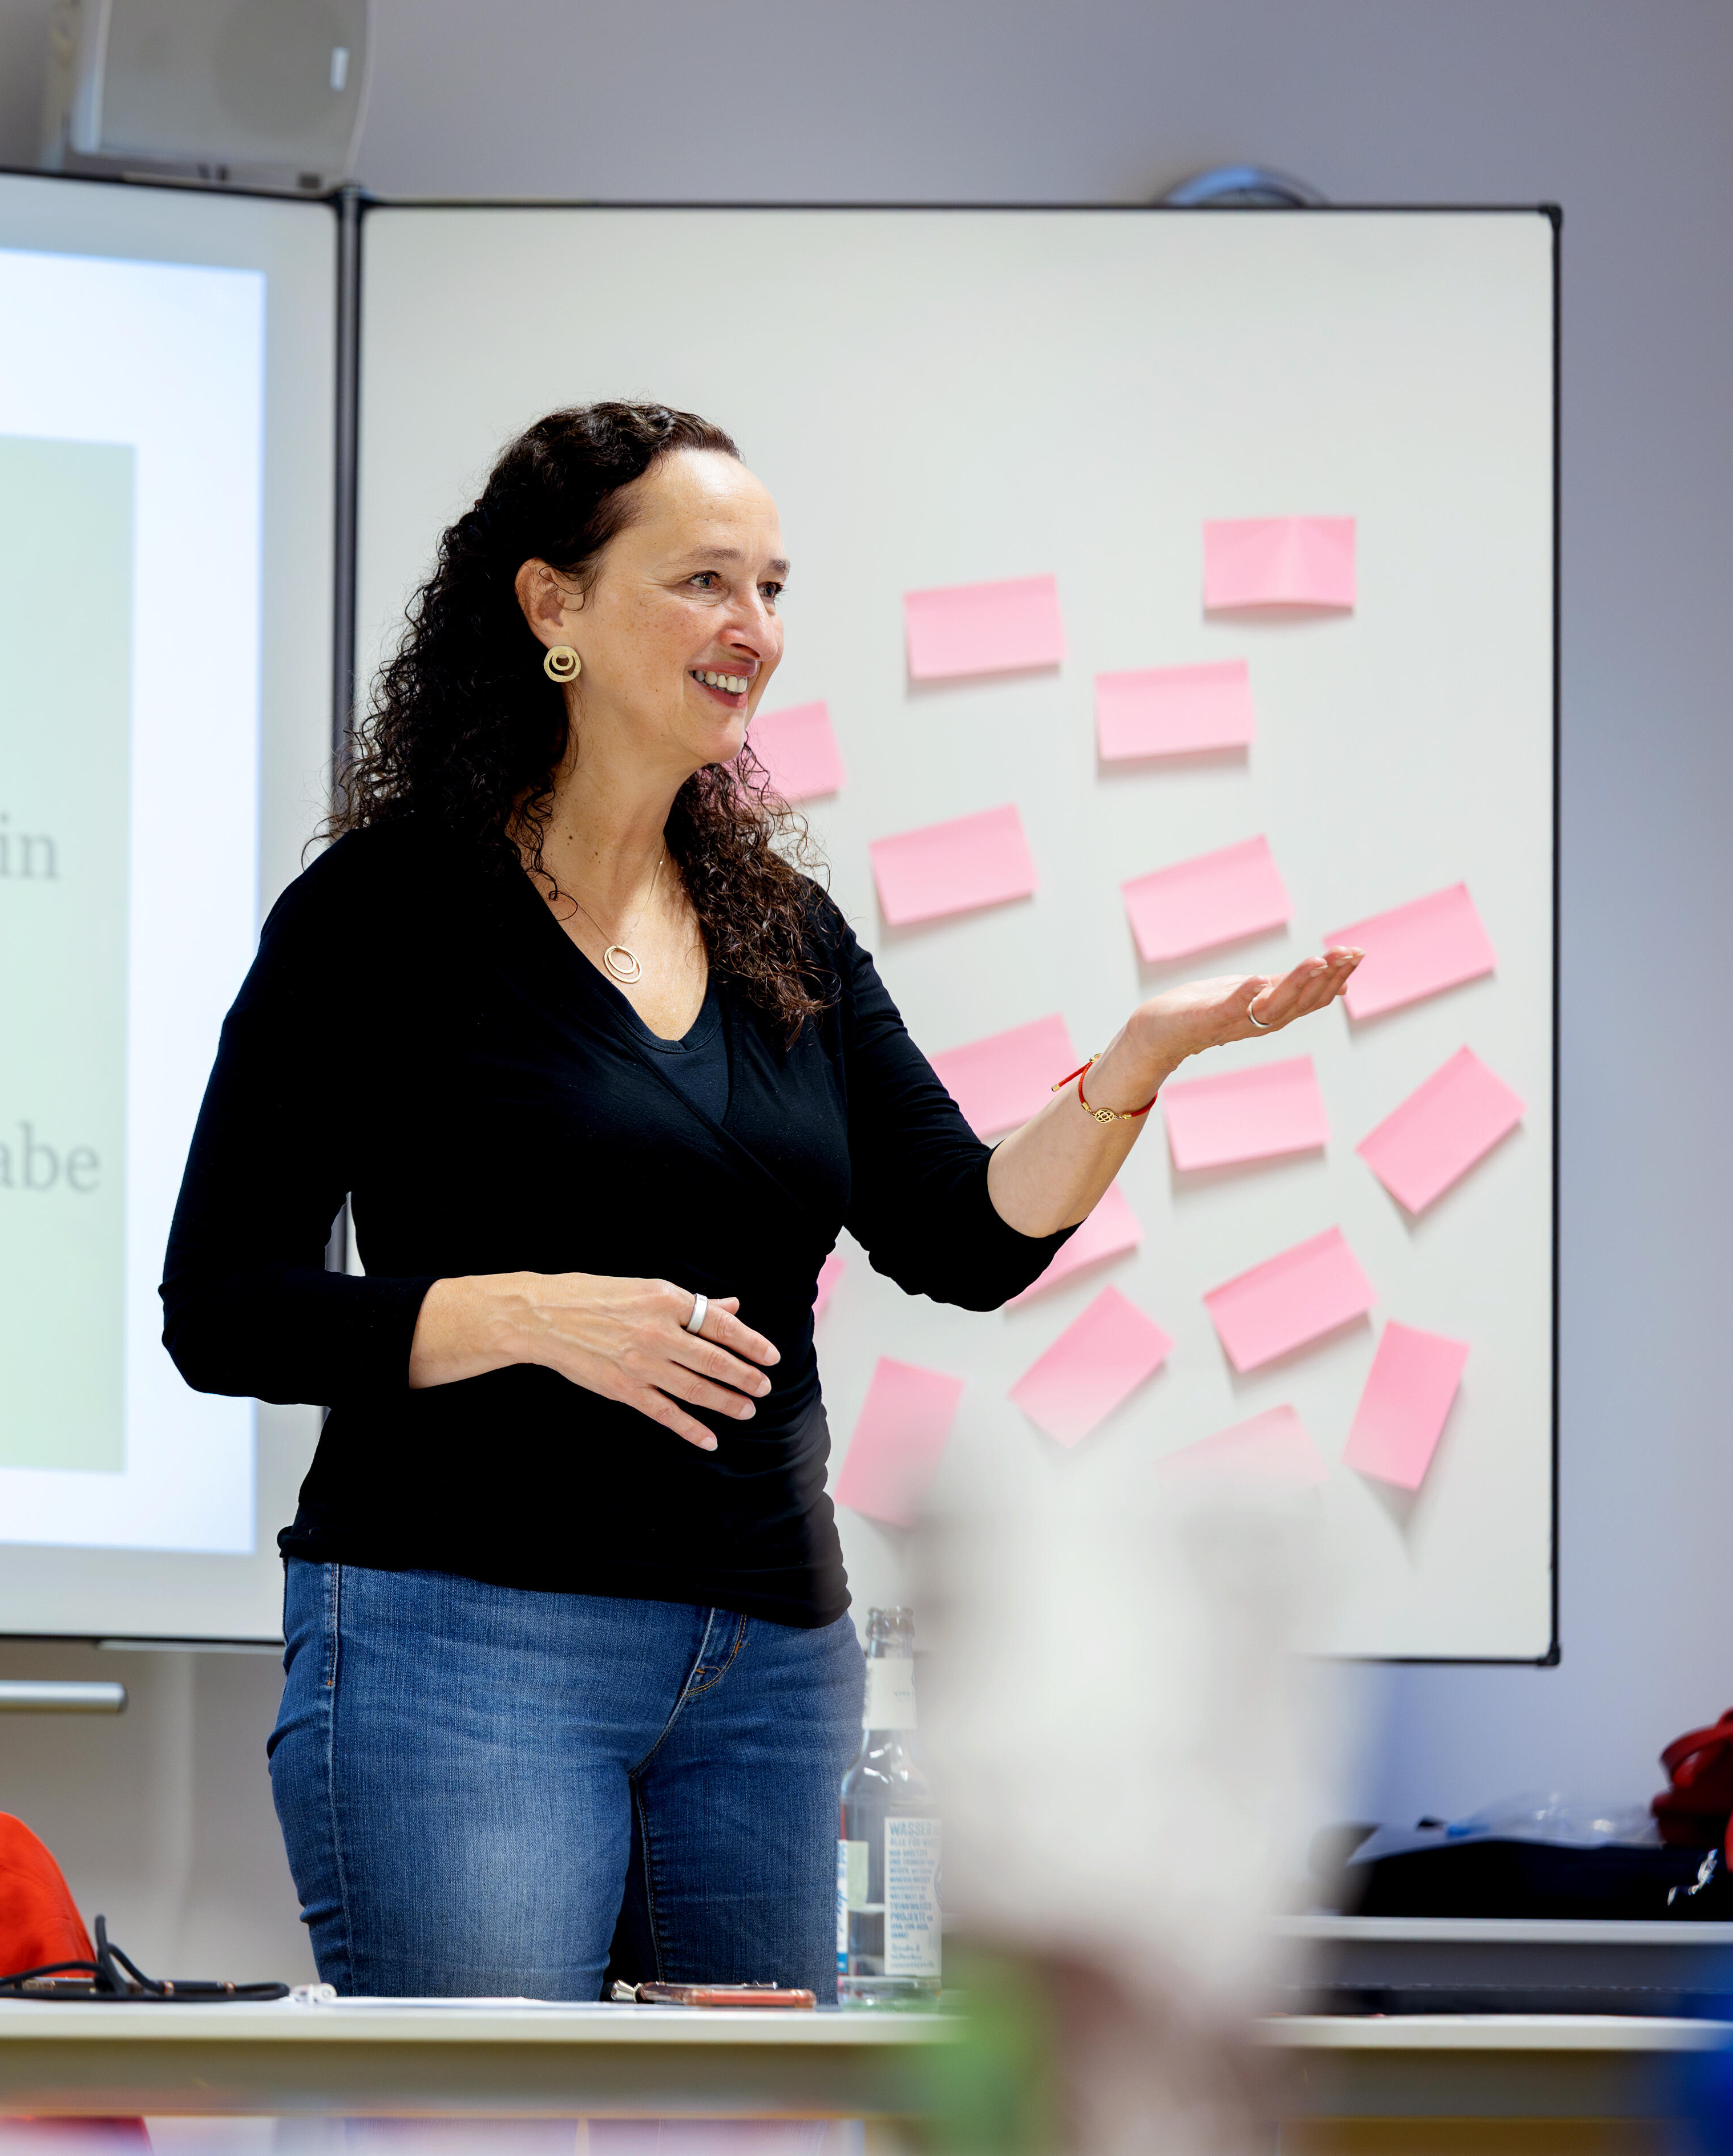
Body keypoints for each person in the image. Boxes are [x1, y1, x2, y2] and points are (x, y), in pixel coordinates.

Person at [159, 402, 1360, 1999]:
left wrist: (1132, 1068)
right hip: (462, 1646)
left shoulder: (782, 926)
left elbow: (962, 1234)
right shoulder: (378, 918)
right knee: (482, 2121)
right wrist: (525, 1314)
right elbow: (222, 1308)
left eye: (775, 589)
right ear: (553, 606)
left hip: (771, 1666)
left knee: (753, 2121)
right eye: (706, 581)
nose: (756, 629)